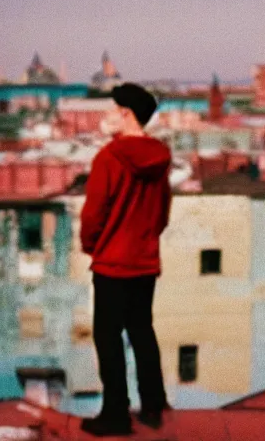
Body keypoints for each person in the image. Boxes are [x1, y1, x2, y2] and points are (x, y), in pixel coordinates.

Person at [80, 83, 172, 436]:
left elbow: (93, 214)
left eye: (111, 109)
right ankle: (153, 405)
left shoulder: (109, 157)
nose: (106, 115)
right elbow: (163, 211)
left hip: (112, 262)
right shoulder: (160, 156)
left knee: (108, 336)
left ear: (126, 113)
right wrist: (146, 239)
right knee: (141, 330)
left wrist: (93, 246)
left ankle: (115, 413)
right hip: (144, 260)